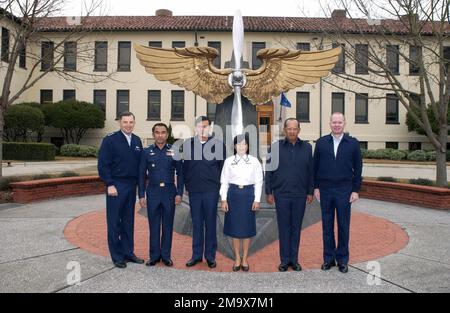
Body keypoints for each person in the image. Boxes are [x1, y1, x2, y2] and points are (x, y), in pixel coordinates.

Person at [313, 112, 363, 274]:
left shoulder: (353, 144)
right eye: (334, 122)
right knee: (327, 227)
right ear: (330, 124)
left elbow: (358, 168)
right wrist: (316, 187)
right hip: (325, 191)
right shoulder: (321, 143)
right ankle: (328, 259)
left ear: (344, 124)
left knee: (343, 226)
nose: (336, 125)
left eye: (339, 122)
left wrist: (355, 190)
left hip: (345, 191)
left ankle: (342, 260)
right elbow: (315, 168)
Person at [265, 118, 314, 272]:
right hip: (282, 195)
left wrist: (310, 191)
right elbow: (269, 172)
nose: (292, 131)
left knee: (296, 228)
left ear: (299, 130)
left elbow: (311, 172)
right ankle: (284, 261)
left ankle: (294, 260)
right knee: (284, 228)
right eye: (289, 128)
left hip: (300, 195)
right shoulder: (275, 147)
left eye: (295, 129)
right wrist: (268, 192)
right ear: (285, 130)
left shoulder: (307, 148)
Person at [98, 112, 145, 268]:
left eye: (131, 122)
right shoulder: (110, 140)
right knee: (114, 222)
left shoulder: (137, 140)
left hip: (131, 186)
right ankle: (117, 256)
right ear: (120, 123)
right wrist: (109, 184)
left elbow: (140, 168)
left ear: (134, 123)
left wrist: (140, 190)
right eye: (125, 122)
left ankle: (128, 253)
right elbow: (103, 165)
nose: (128, 125)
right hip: (116, 186)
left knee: (128, 222)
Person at [183, 116, 226, 268]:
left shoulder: (219, 145)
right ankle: (196, 255)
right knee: (196, 223)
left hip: (211, 191)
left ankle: (210, 256)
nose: (203, 129)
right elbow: (185, 168)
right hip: (194, 191)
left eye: (206, 126)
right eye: (200, 126)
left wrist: (220, 190)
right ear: (196, 128)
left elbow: (222, 169)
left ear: (210, 128)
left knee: (210, 223)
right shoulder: (188, 144)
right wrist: (186, 186)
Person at [138, 123, 183, 267]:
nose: (160, 135)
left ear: (167, 134)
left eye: (163, 132)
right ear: (153, 134)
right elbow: (141, 175)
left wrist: (179, 193)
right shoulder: (146, 152)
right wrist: (141, 195)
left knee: (168, 225)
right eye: (157, 132)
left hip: (170, 192)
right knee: (154, 225)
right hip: (153, 192)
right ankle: (154, 256)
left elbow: (181, 174)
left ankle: (166, 256)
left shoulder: (174, 151)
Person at [220, 134, 263, 272]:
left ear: (248, 146)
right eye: (238, 144)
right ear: (234, 146)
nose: (241, 147)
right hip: (233, 196)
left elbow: (258, 182)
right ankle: (237, 258)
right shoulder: (228, 161)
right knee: (234, 229)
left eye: (244, 144)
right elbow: (224, 181)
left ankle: (245, 258)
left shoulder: (254, 161)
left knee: (246, 229)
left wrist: (257, 199)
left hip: (248, 196)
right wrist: (223, 199)